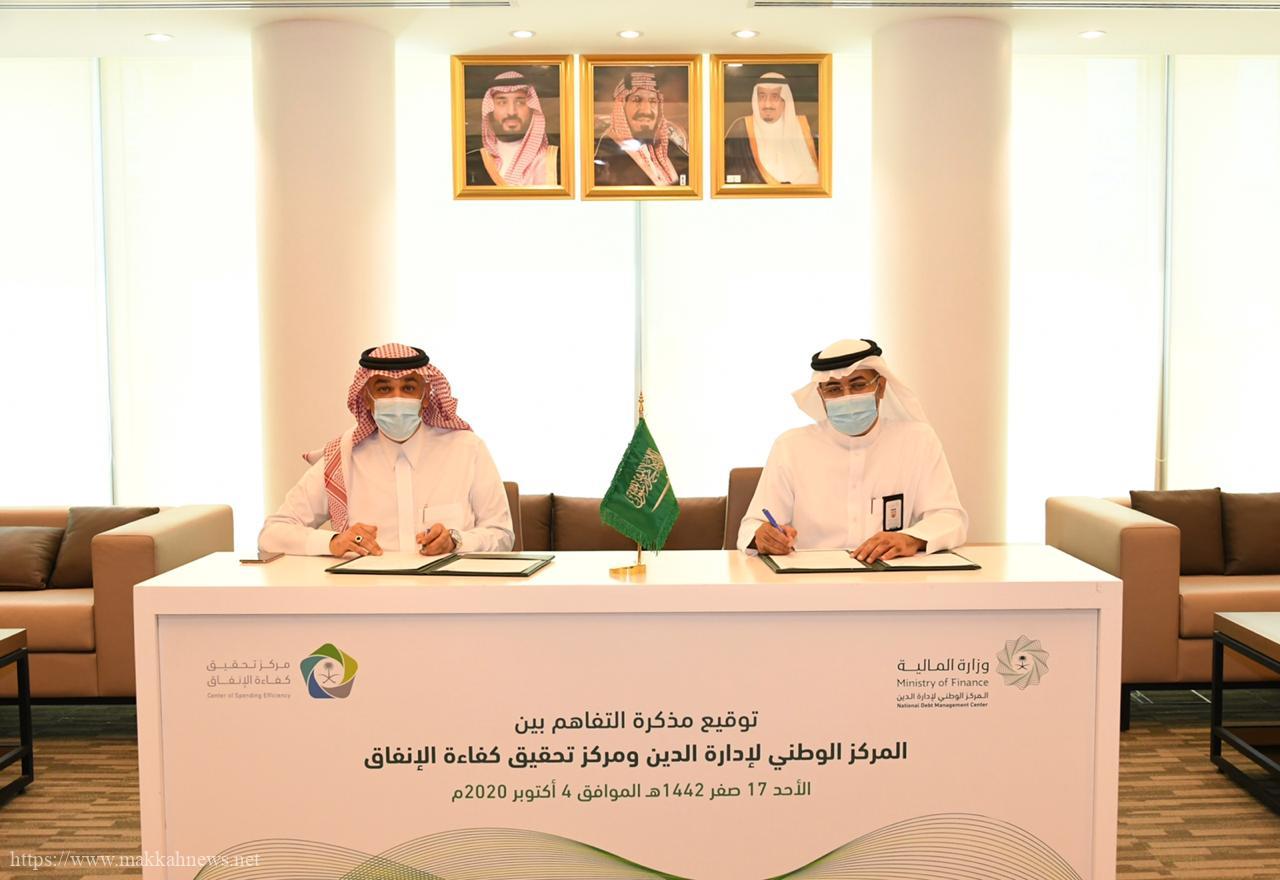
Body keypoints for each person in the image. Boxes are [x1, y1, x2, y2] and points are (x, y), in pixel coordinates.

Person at [259, 343, 514, 557]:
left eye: (408, 388)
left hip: (447, 594)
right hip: (367, 597)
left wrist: (456, 541)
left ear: (426, 397)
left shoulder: (467, 450)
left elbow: (501, 535)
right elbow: (272, 533)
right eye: (384, 389)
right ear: (367, 398)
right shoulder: (341, 458)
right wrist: (332, 542)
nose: (397, 398)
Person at [737, 339, 967, 563]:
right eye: (834, 389)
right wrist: (763, 536)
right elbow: (751, 525)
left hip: (891, 579)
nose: (846, 397)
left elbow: (950, 518)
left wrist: (911, 539)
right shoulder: (790, 446)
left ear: (880, 387)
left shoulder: (917, 441)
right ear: (821, 395)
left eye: (858, 385)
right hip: (812, 580)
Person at [593, 70, 690, 187]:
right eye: (636, 100)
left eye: (653, 101)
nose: (646, 111)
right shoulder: (606, 152)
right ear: (622, 107)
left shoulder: (669, 147)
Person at [464, 70, 559, 187]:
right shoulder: (471, 162)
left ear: (532, 109)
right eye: (502, 102)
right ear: (490, 110)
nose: (511, 112)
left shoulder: (556, 160)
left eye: (520, 102)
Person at [723, 71, 820, 185]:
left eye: (775, 97)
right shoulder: (741, 128)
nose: (767, 104)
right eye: (762, 97)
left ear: (785, 100)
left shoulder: (806, 129)